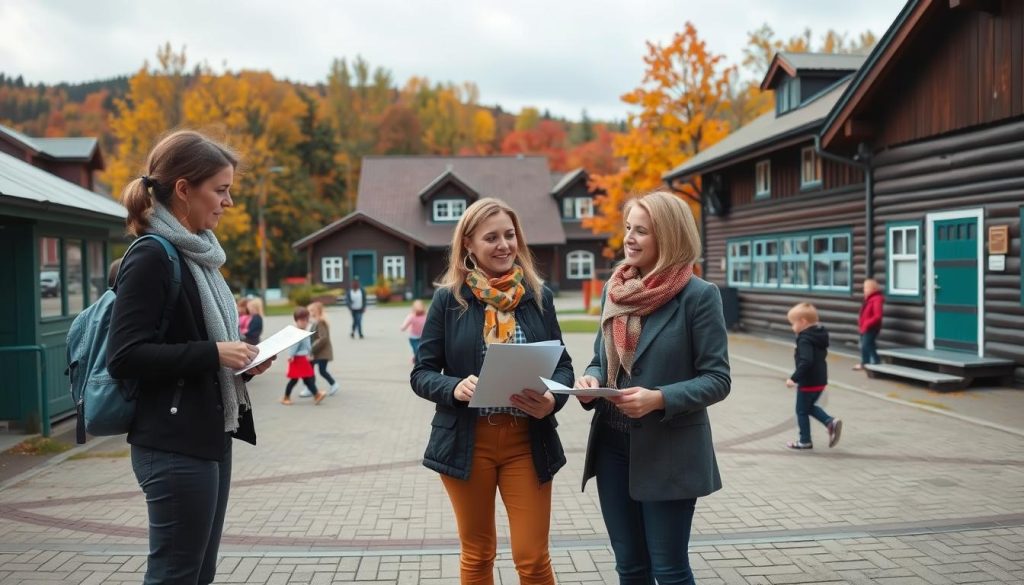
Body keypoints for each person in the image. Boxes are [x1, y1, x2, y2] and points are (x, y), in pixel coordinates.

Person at [106, 129, 275, 584]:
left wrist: (241, 363)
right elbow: (125, 356)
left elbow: (194, 353)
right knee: (175, 575)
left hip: (208, 435)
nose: (228, 202)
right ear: (183, 189)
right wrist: (214, 353)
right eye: (220, 190)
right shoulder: (153, 256)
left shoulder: (199, 258)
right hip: (172, 444)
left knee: (198, 573)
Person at [410, 197, 573, 585]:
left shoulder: (538, 296)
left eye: (509, 235)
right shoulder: (449, 299)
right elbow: (422, 372)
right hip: (468, 442)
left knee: (532, 559)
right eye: (492, 237)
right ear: (468, 244)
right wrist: (454, 386)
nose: (504, 245)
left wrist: (553, 399)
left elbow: (562, 364)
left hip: (527, 441)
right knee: (478, 554)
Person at [574, 190, 731, 585]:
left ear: (670, 236)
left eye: (641, 230)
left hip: (670, 452)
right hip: (612, 448)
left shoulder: (700, 296)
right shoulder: (617, 290)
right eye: (628, 227)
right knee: (630, 568)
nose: (629, 237)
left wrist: (660, 399)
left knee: (670, 571)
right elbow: (600, 358)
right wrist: (593, 379)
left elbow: (718, 379)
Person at [785, 302, 842, 450]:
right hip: (820, 380)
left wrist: (794, 378)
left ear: (803, 322)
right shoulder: (820, 334)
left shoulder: (804, 339)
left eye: (793, 324)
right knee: (808, 407)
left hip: (808, 382)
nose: (792, 328)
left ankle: (805, 440)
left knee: (801, 411)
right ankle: (830, 423)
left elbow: (806, 361)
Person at [281, 306, 326, 405]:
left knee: (307, 377)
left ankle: (316, 394)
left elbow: (307, 345)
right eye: (302, 320)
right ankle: (286, 397)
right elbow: (293, 346)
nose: (305, 322)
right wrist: (290, 355)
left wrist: (310, 354)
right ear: (296, 321)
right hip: (297, 359)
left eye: (306, 320)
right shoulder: (297, 333)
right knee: (294, 380)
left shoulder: (303, 331)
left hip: (303, 358)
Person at [303, 301, 339, 396]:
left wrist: (312, 347)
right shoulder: (314, 322)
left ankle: (333, 384)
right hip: (317, 352)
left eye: (311, 310)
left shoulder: (321, 322)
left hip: (322, 352)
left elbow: (323, 338)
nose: (309, 312)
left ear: (316, 311)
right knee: (310, 369)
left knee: (322, 371)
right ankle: (311, 388)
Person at [854, 278, 884, 370]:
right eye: (864, 287)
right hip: (864, 327)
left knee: (866, 344)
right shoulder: (868, 299)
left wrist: (867, 323)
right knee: (866, 344)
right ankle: (869, 362)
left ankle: (872, 361)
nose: (864, 290)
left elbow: (878, 316)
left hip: (872, 327)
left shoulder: (877, 299)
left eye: (867, 288)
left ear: (873, 289)